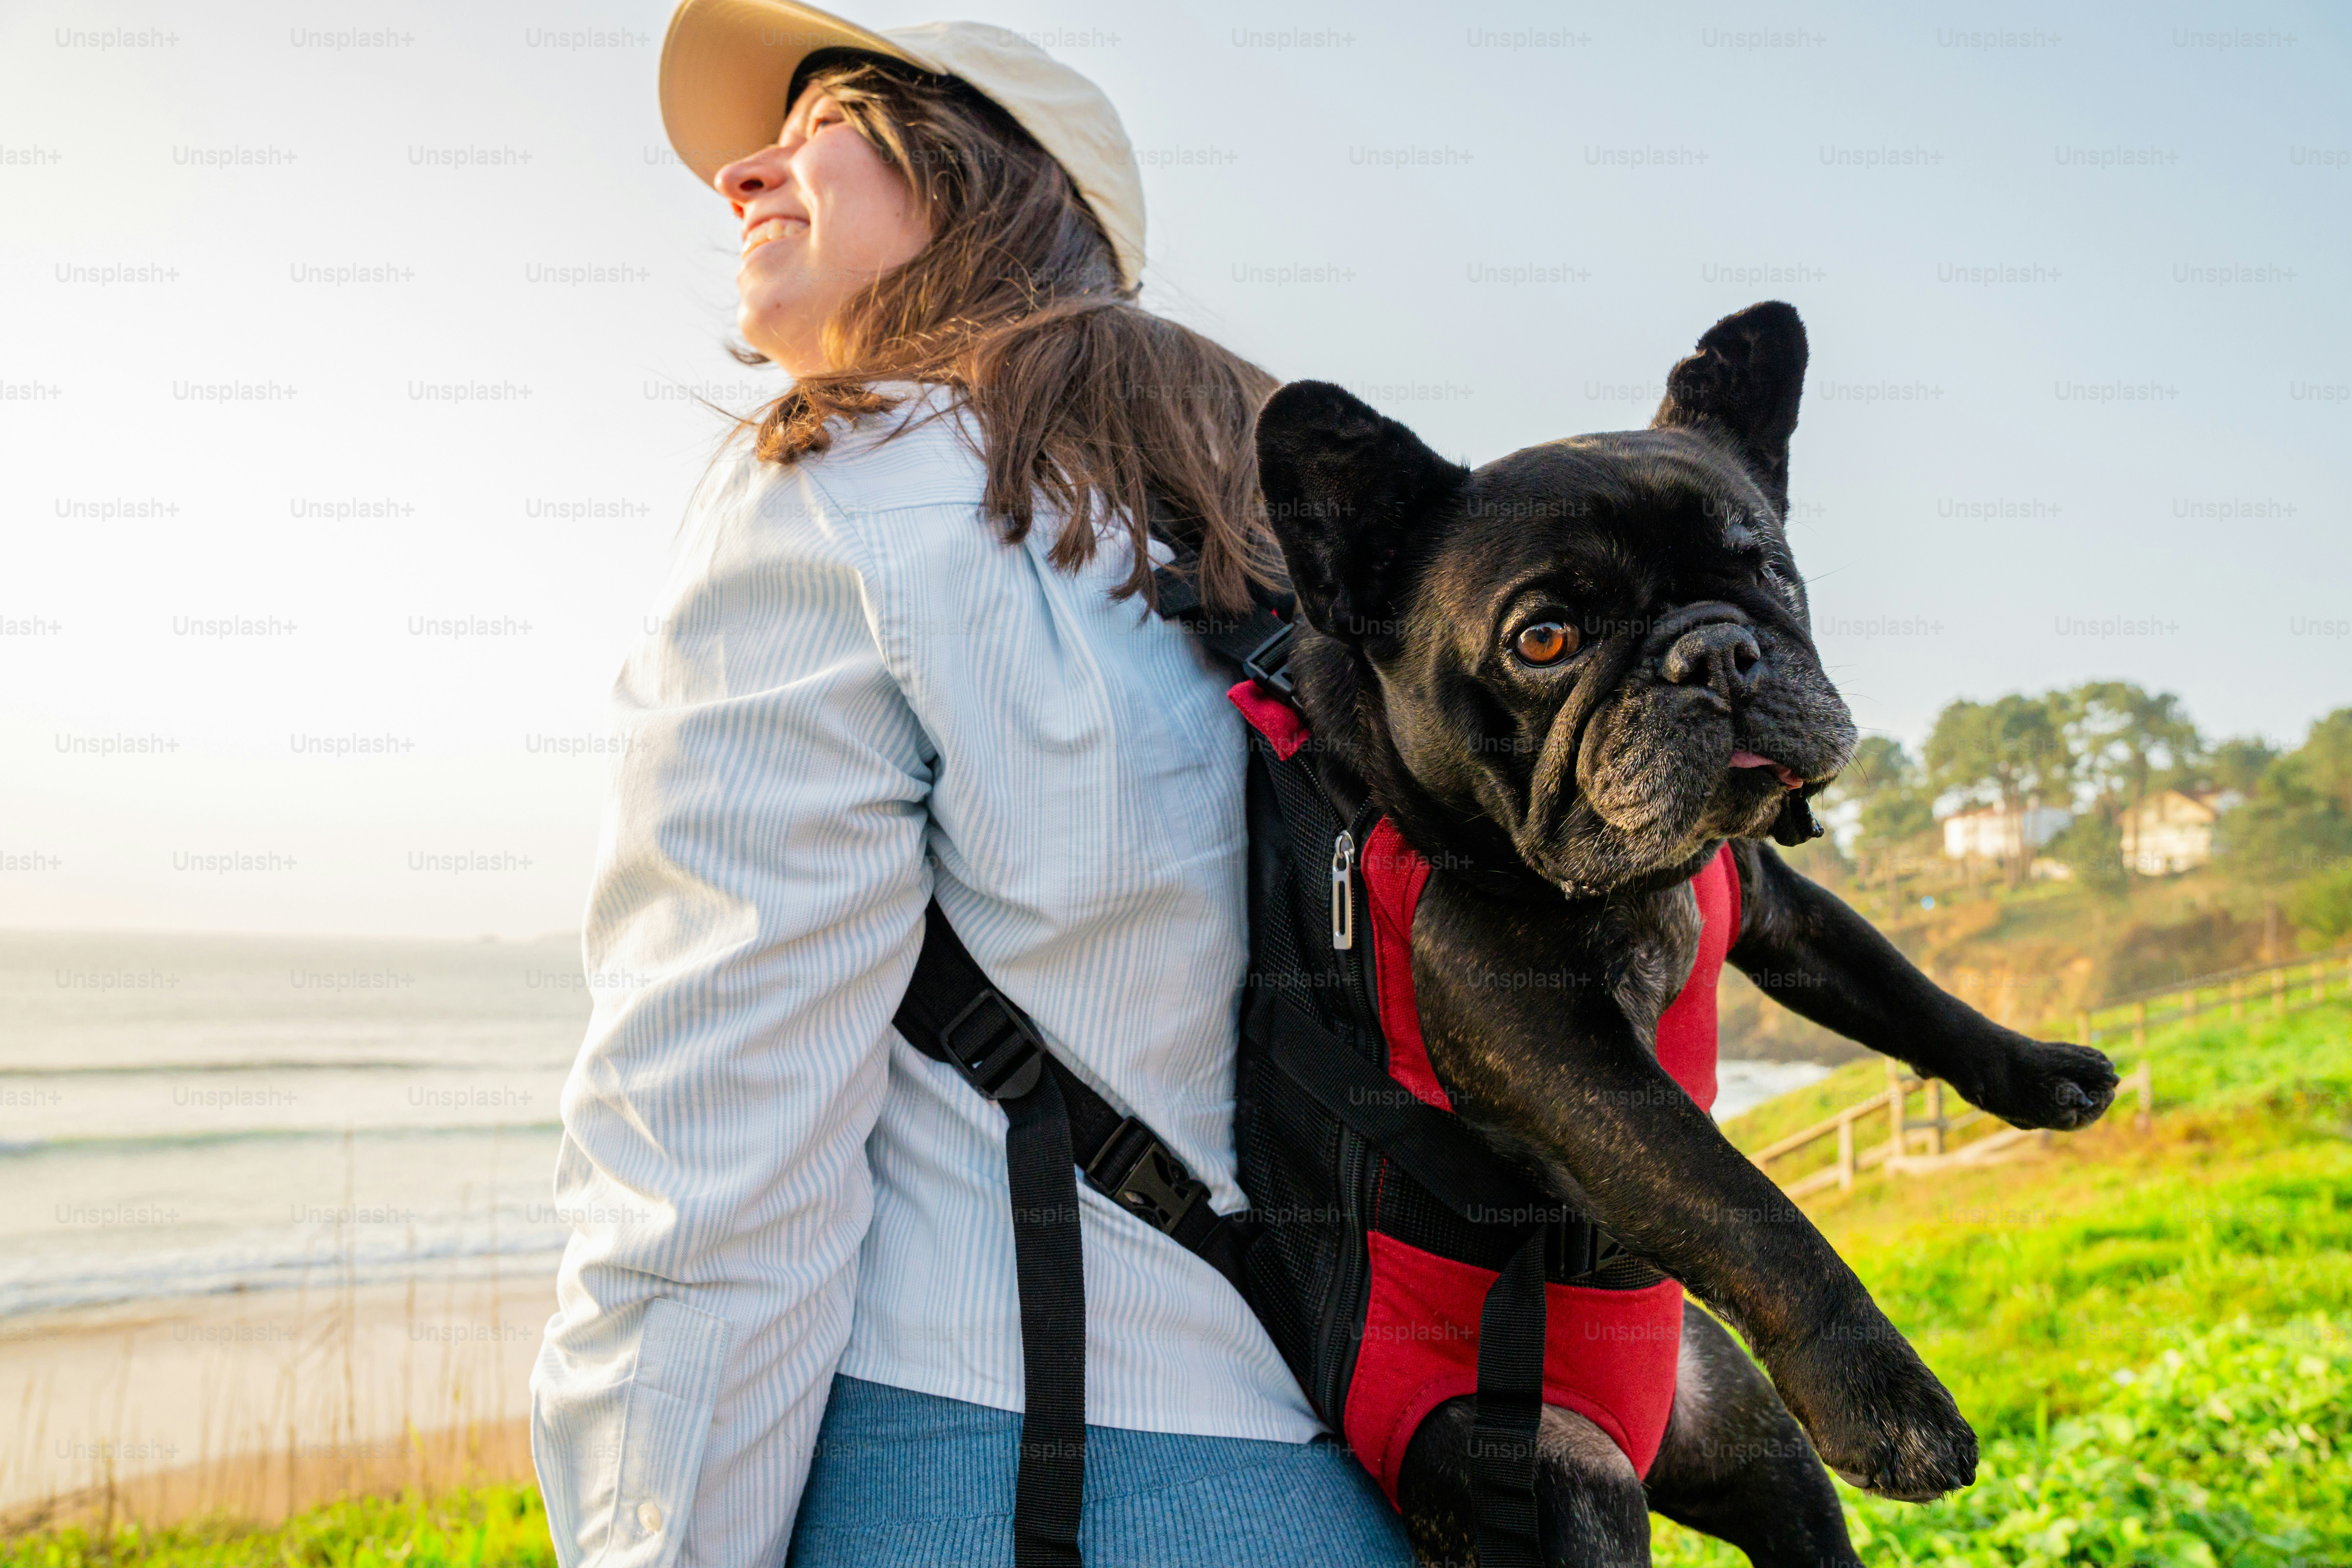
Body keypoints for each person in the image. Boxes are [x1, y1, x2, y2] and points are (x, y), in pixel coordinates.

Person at [528, 4, 1417, 1564]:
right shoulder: (1255, 541)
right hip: (1351, 1477)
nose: (742, 175)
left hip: (999, 1481)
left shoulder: (848, 490)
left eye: (822, 128)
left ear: (977, 181)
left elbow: (708, 1155)